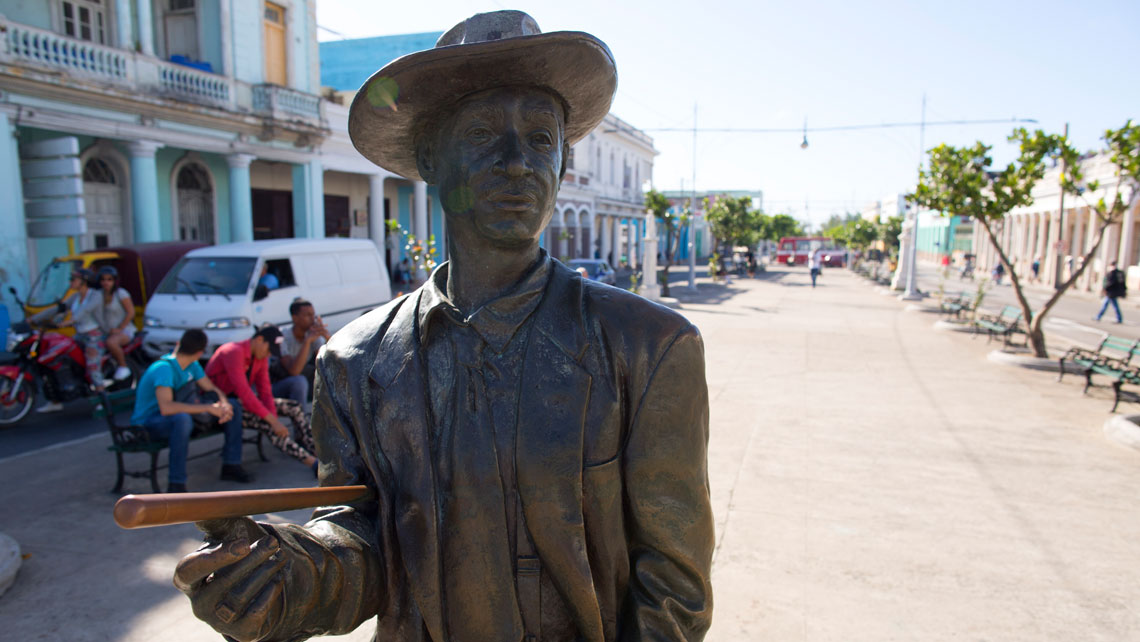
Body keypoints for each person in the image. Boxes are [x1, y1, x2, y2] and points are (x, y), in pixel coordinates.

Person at [175, 11, 712, 642]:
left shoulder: (648, 348)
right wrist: (283, 577)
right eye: (483, 133)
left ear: (564, 165)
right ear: (431, 158)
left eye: (542, 139)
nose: (518, 162)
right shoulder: (355, 363)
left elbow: (673, 590)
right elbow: (360, 537)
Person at [130, 329, 252, 492]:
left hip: (177, 415)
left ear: (178, 344)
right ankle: (176, 484)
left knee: (234, 406)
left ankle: (231, 464)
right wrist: (208, 408)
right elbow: (167, 408)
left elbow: (211, 388)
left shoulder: (192, 365)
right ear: (200, 352)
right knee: (182, 420)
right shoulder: (164, 368)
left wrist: (223, 404)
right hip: (148, 424)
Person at [205, 326, 318, 474]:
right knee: (269, 425)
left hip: (242, 402)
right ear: (259, 339)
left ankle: (314, 450)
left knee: (294, 407)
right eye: (269, 349)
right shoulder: (233, 351)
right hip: (222, 405)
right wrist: (273, 421)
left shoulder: (260, 357)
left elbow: (265, 391)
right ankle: (313, 464)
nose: (269, 354)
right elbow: (244, 392)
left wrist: (273, 415)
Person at [38, 269, 103, 412]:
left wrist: (67, 322)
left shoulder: (95, 296)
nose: (71, 282)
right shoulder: (75, 297)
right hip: (79, 335)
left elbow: (84, 312)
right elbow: (59, 308)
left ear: (84, 281)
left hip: (94, 336)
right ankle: (55, 400)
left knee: (93, 366)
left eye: (74, 279)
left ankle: (102, 398)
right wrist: (35, 319)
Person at [271, 298, 330, 406]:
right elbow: (294, 371)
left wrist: (326, 337)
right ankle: (302, 419)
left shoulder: (312, 334)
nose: (313, 319)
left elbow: (327, 364)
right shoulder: (282, 336)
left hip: (304, 380)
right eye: (308, 315)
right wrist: (307, 341)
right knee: (299, 381)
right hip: (280, 384)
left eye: (313, 315)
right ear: (295, 318)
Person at [96, 266, 135, 382]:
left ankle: (123, 367)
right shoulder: (97, 295)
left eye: (109, 279)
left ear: (114, 281)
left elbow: (131, 312)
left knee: (111, 342)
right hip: (105, 331)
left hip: (124, 330)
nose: (106, 283)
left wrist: (119, 328)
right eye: (103, 280)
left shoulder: (121, 294)